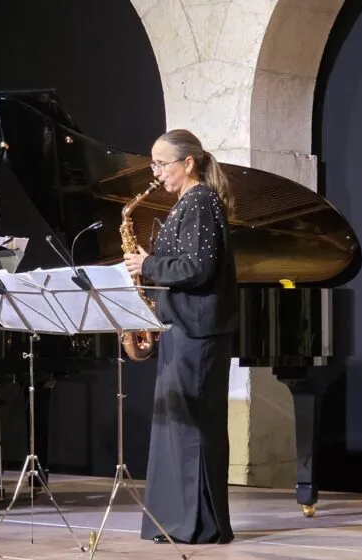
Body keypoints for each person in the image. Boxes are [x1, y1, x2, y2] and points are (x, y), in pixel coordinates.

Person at [123, 129, 238, 545]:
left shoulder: (201, 201)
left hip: (198, 332)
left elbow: (197, 268)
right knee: (176, 429)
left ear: (188, 163)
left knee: (192, 429)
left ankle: (199, 525)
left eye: (161, 163)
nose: (155, 173)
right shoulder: (185, 205)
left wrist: (147, 265)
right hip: (181, 328)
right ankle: (174, 521)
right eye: (152, 163)